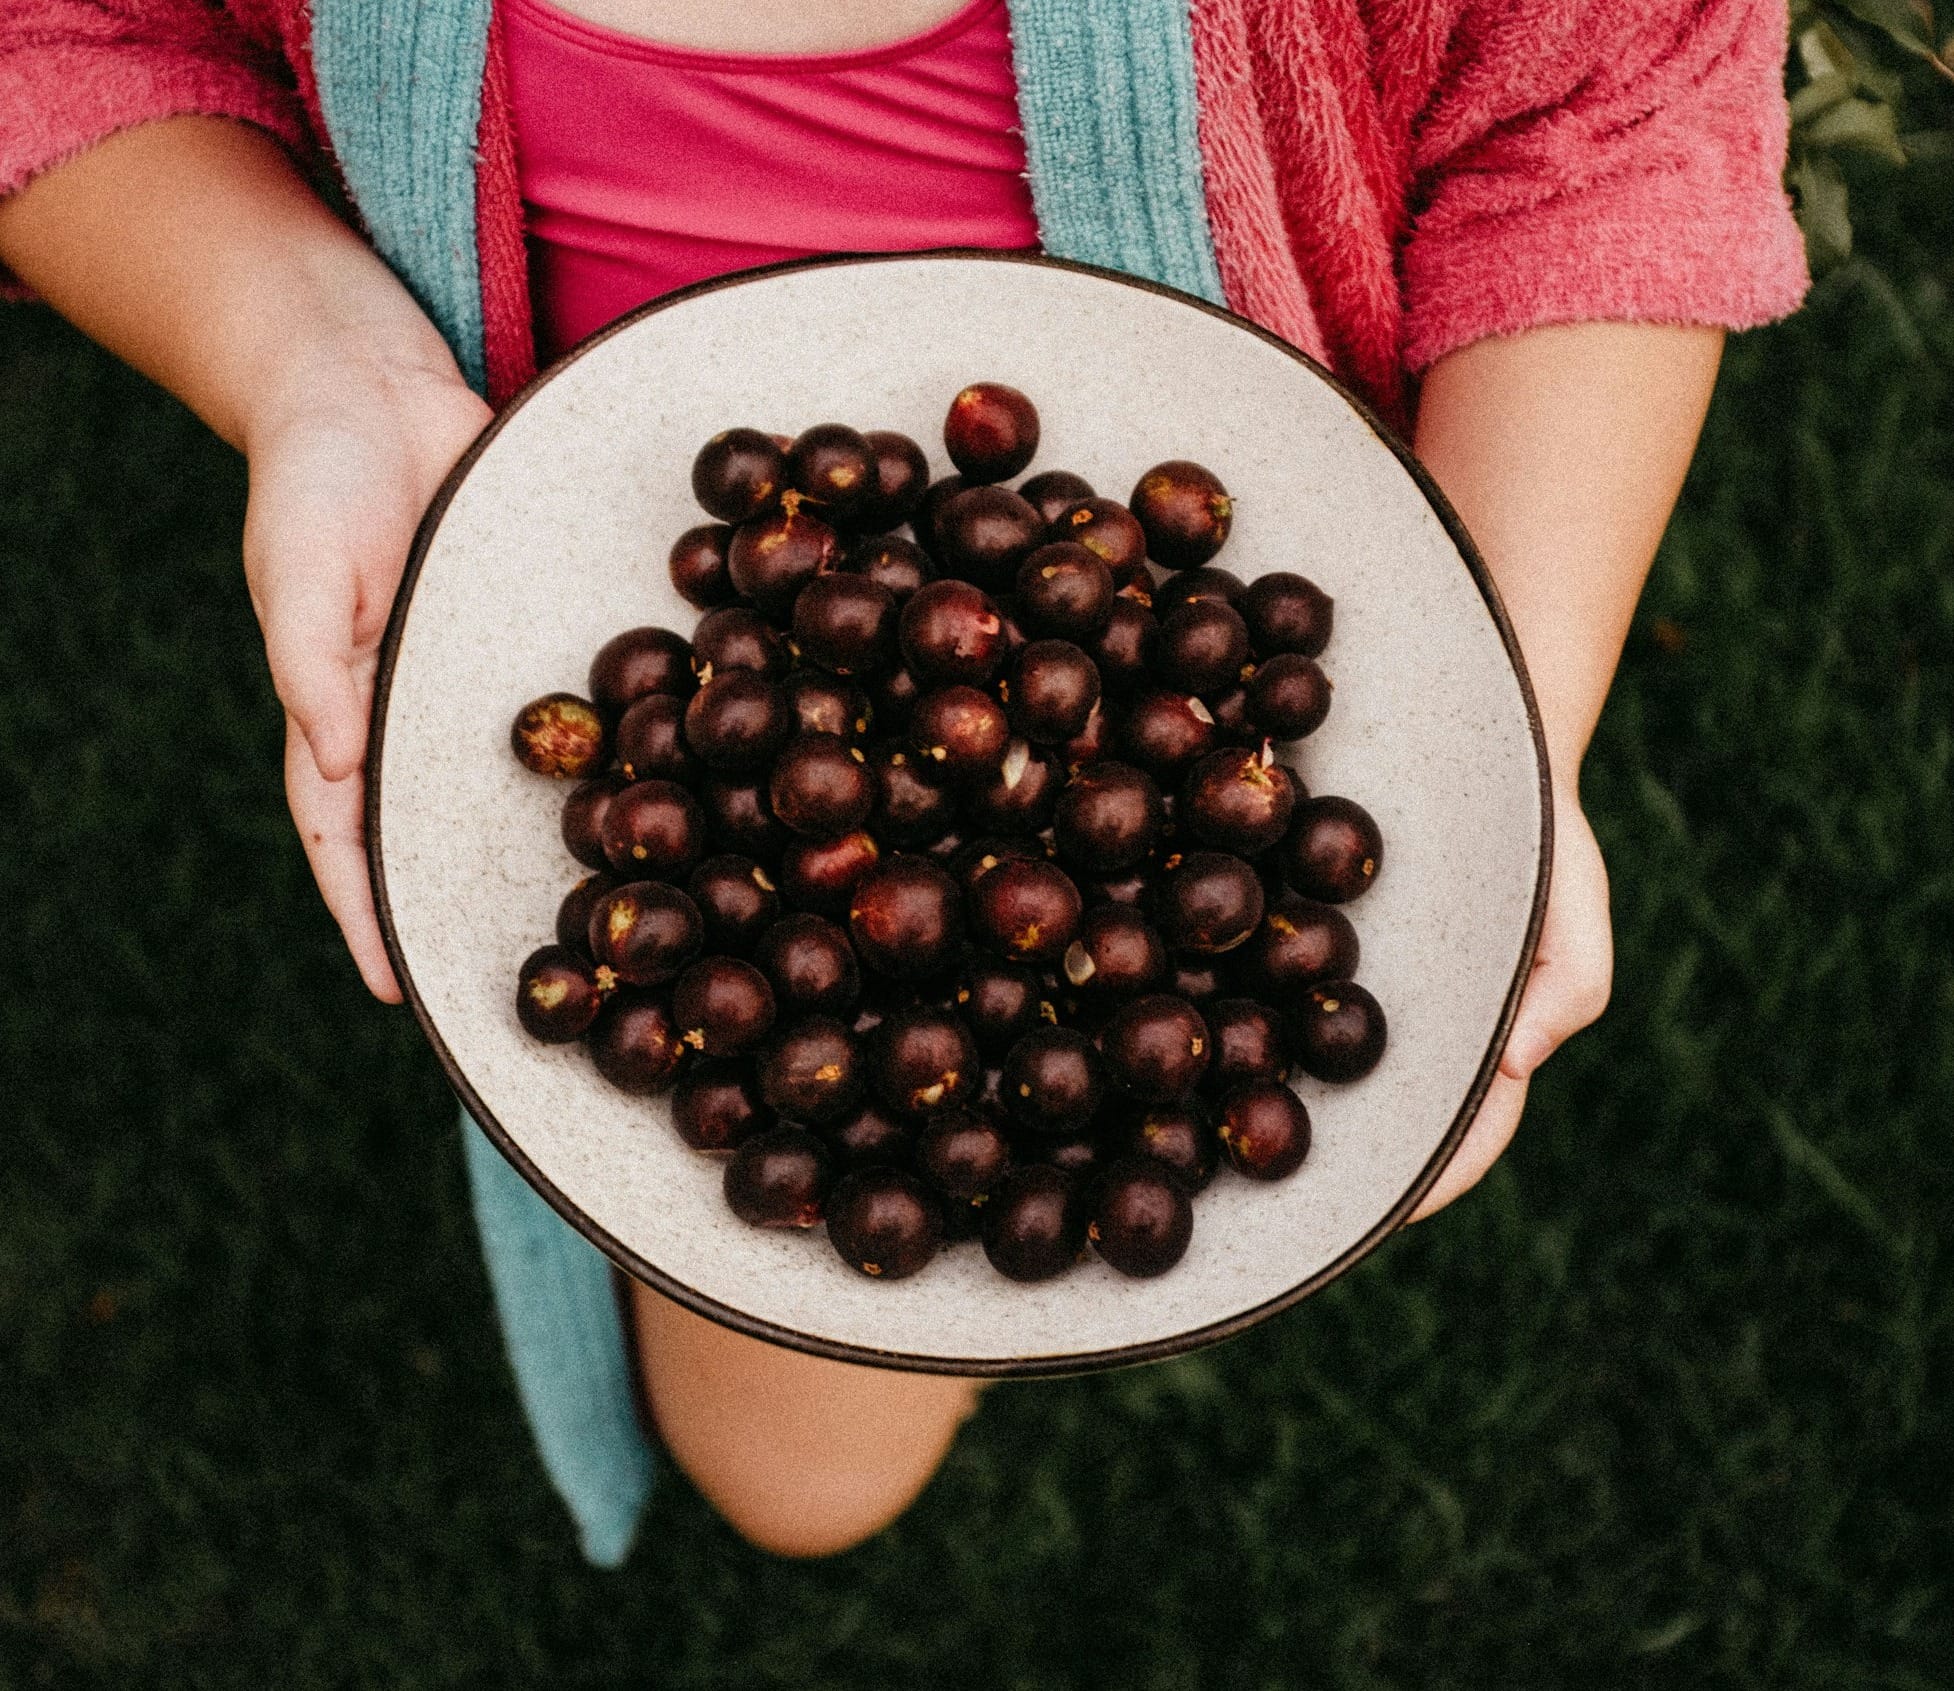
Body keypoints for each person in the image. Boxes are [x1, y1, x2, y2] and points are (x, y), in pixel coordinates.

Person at [0, 0, 1809, 1567]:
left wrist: (1502, 690)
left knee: (841, 1409)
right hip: (625, 594)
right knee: (794, 1465)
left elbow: (1604, 117)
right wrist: (311, 344)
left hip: (1091, 652)